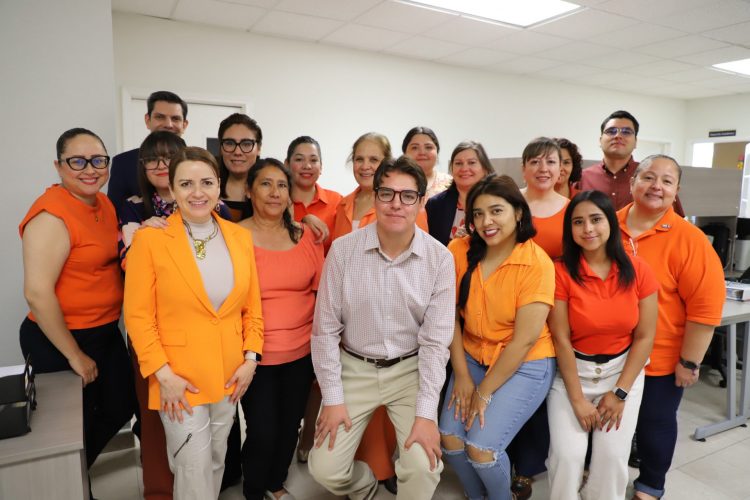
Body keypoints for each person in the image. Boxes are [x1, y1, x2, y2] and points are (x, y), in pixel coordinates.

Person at [309, 156, 455, 500]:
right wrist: (333, 399)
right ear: (374, 197)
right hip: (353, 368)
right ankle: (365, 485)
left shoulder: (439, 259)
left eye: (408, 196)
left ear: (421, 201)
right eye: (387, 193)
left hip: (410, 370)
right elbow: (325, 332)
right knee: (325, 469)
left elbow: (436, 344)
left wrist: (426, 415)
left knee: (423, 465)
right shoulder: (343, 251)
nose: (396, 204)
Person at [124, 146, 264, 500]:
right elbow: (138, 315)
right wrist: (162, 374)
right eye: (186, 184)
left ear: (219, 186)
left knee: (216, 459)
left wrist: (251, 359)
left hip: (229, 375)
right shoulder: (150, 239)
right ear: (172, 189)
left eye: (206, 182)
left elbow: (252, 307)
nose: (197, 192)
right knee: (191, 464)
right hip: (178, 378)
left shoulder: (239, 237)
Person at [19, 128, 136, 497]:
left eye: (98, 160)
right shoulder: (50, 214)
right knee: (71, 429)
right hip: (60, 340)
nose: (90, 169)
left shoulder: (104, 204)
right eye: (77, 162)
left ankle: (71, 478)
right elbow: (37, 293)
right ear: (58, 166)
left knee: (121, 404)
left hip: (104, 330)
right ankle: (67, 486)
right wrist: (74, 355)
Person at [439, 174, 556, 500]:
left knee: (481, 449)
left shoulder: (536, 263)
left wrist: (484, 392)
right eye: (478, 214)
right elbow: (450, 317)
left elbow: (524, 340)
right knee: (450, 439)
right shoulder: (459, 250)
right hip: (471, 356)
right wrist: (462, 376)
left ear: (518, 212)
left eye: (496, 211)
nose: (486, 222)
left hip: (525, 363)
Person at [617, 155, 724, 500]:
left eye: (667, 181)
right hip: (606, 355)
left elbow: (705, 309)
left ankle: (650, 485)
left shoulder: (690, 240)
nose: (656, 187)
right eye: (648, 177)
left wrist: (690, 362)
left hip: (659, 359)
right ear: (633, 181)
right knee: (608, 425)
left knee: (654, 424)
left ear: (676, 190)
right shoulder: (605, 226)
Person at [546, 190, 658, 499]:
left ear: (610, 222)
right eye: (578, 222)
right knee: (567, 457)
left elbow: (645, 337)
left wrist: (620, 393)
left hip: (623, 374)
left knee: (611, 459)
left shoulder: (638, 269)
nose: (588, 229)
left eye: (596, 219)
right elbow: (561, 338)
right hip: (572, 374)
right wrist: (577, 399)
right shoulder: (560, 271)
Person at [237, 158, 324, 500]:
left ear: (290, 194)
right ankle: (253, 488)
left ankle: (275, 482)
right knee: (262, 430)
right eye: (265, 184)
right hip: (254, 355)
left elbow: (320, 293)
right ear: (249, 190)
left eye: (282, 185)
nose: (275, 192)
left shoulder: (307, 235)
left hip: (301, 352)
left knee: (290, 426)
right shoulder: (233, 236)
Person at [507, 136, 568, 499]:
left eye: (550, 162)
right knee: (507, 384)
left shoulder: (572, 210)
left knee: (542, 392)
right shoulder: (510, 203)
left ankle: (527, 467)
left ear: (562, 169)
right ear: (524, 168)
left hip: (556, 311)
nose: (543, 169)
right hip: (508, 307)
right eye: (535, 162)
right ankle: (500, 454)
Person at [578, 110, 684, 216]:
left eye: (626, 132)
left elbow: (676, 219)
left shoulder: (654, 177)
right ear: (600, 140)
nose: (618, 136)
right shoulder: (582, 177)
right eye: (611, 131)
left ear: (635, 142)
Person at [108, 91, 188, 213]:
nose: (168, 124)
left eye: (175, 118)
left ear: (184, 125)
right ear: (147, 120)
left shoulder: (198, 161)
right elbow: (114, 213)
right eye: (160, 117)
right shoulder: (123, 163)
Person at [426, 140, 494, 246]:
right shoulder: (435, 205)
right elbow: (430, 247)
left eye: (471, 162)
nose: (464, 168)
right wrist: (456, 244)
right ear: (451, 169)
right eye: (458, 163)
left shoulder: (499, 201)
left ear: (485, 168)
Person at [287, 135, 342, 254]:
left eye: (313, 160)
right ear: (286, 165)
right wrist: (303, 223)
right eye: (299, 159)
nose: (307, 166)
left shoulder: (337, 201)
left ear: (321, 167)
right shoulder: (277, 202)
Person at [218, 113, 262, 222]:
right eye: (229, 143)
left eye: (246, 144)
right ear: (221, 148)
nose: (237, 152)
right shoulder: (206, 188)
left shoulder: (273, 191)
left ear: (258, 149)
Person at [402, 126, 452, 198]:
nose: (422, 152)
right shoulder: (394, 181)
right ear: (405, 153)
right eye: (415, 147)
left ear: (437, 152)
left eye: (428, 147)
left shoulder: (450, 183)